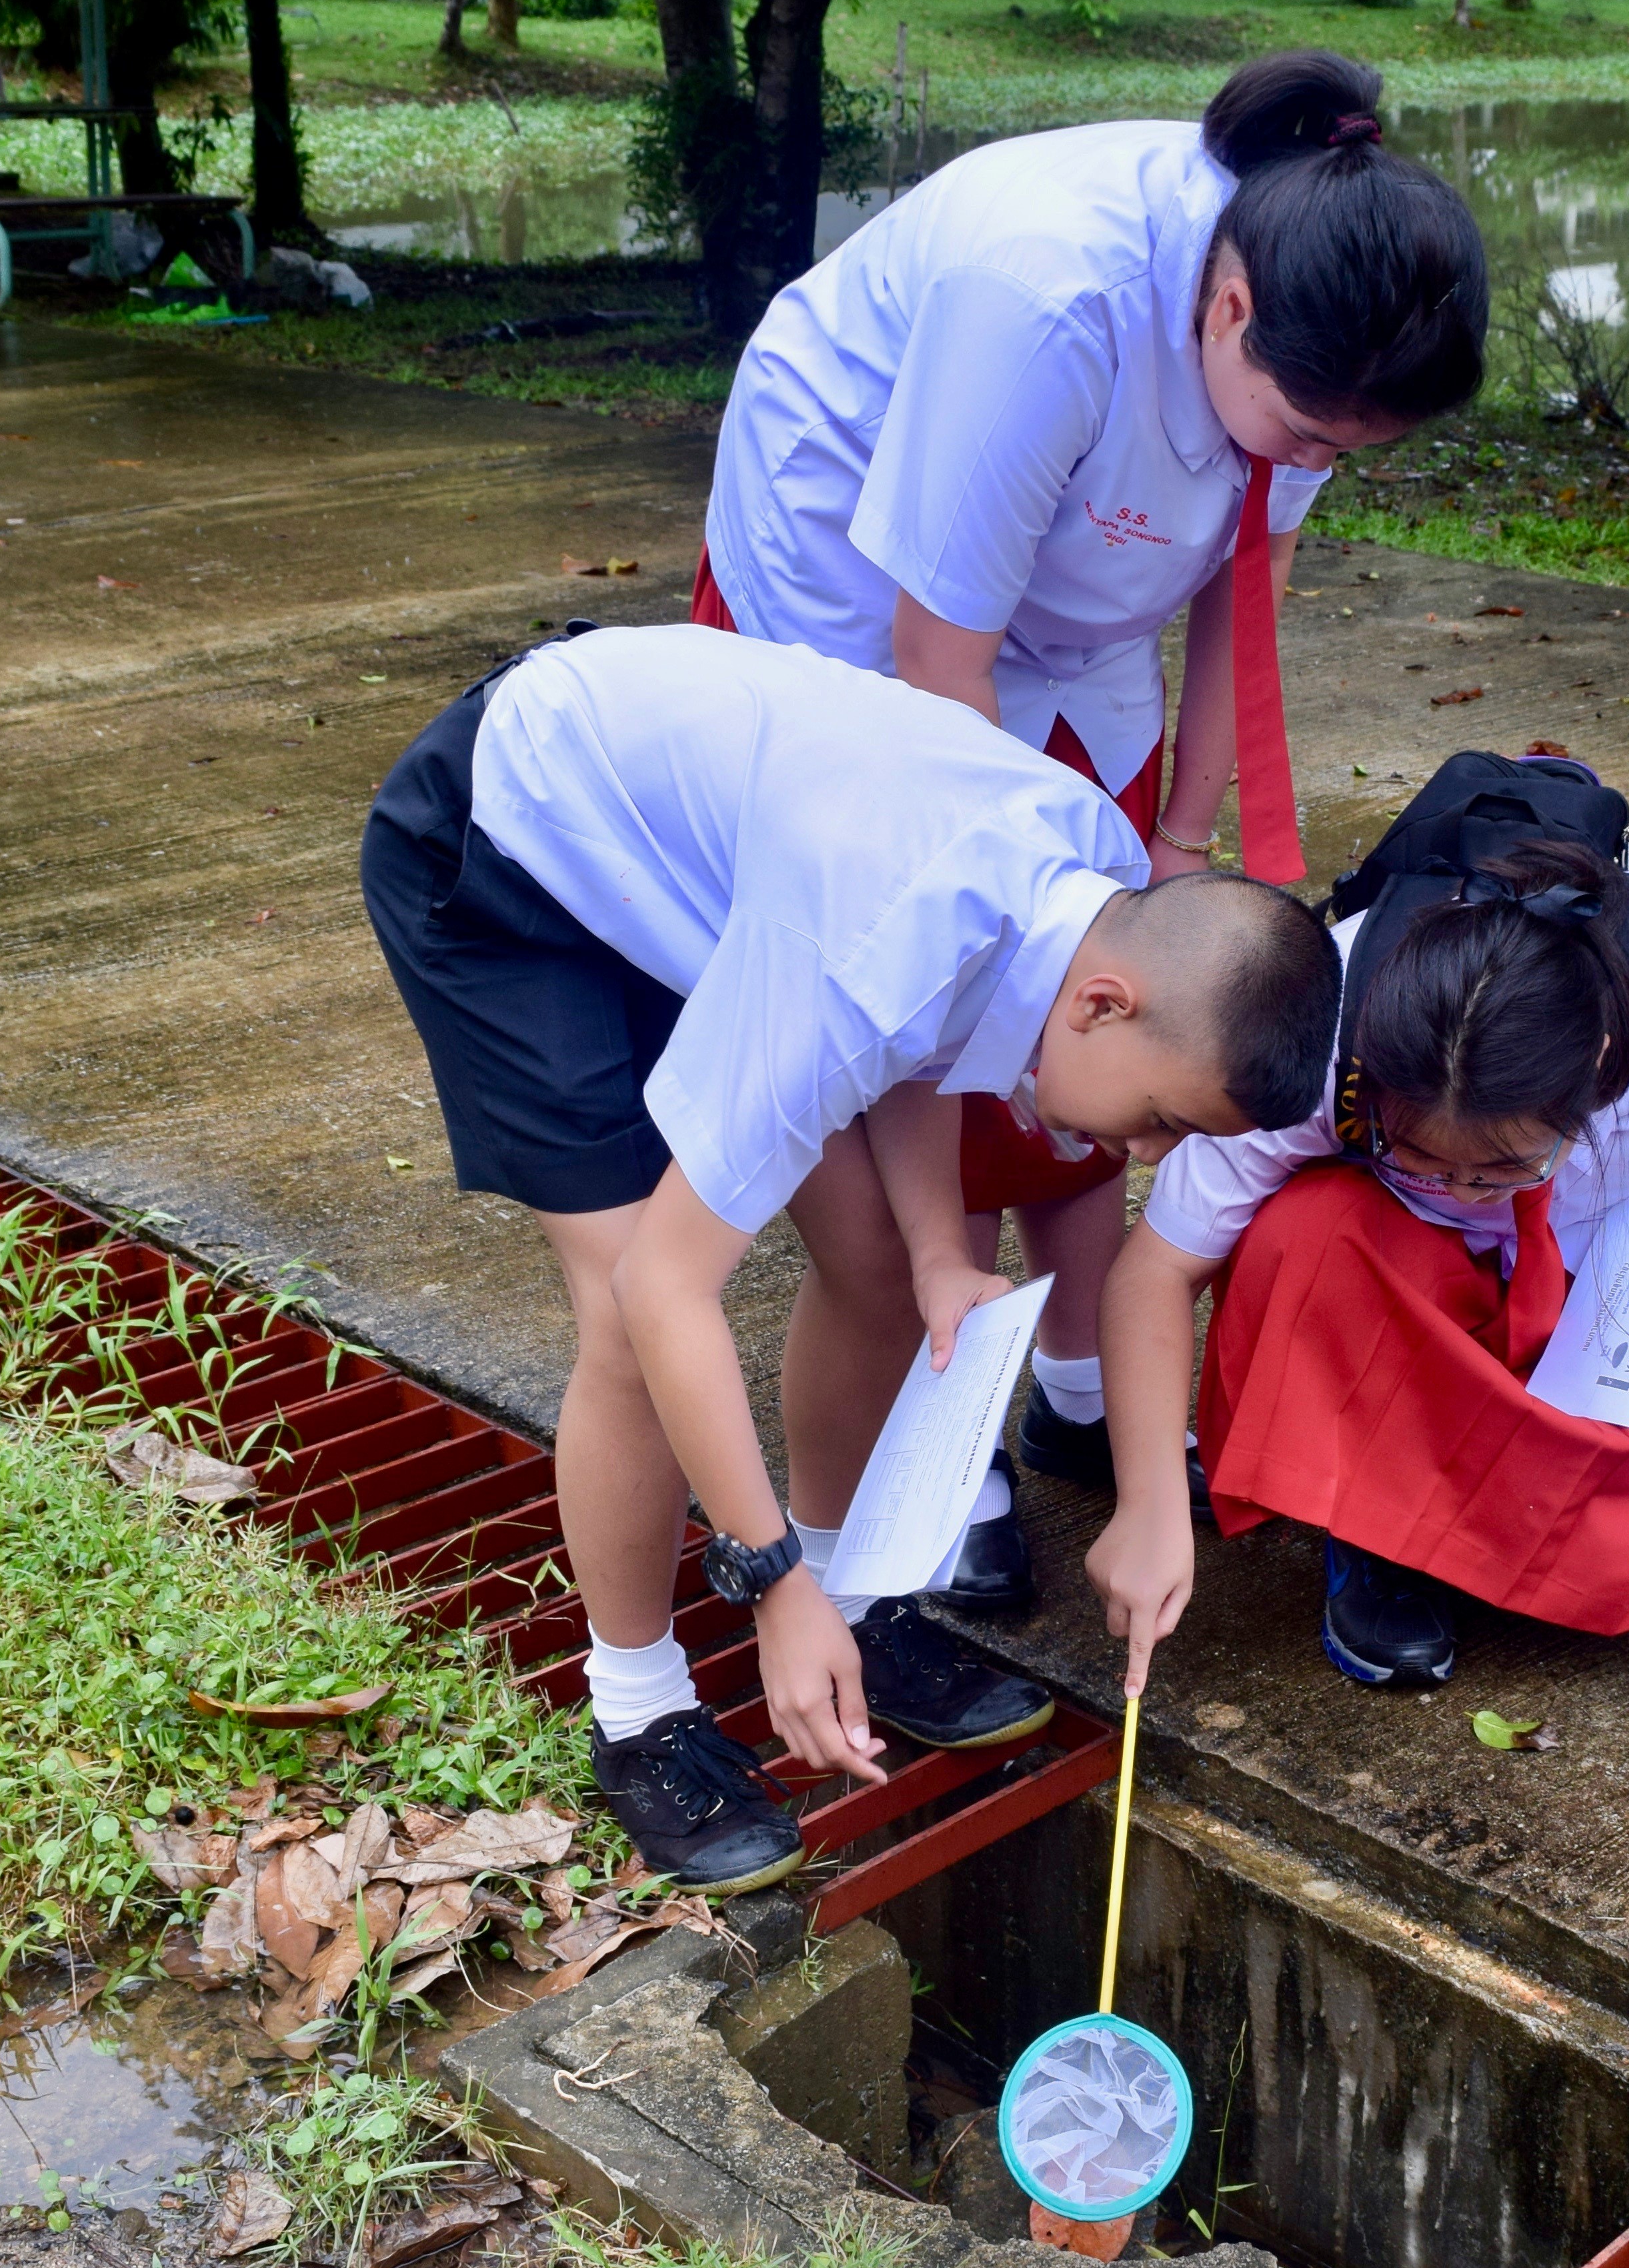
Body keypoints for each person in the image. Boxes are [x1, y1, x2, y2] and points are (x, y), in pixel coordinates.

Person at [691, 49, 1489, 1602]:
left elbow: (1228, 572)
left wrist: (1177, 834)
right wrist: (1002, 914)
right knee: (947, 999)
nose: (1317, 461)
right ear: (1229, 307)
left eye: (1346, 452)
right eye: (1309, 431)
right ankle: (937, 1407)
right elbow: (938, 681)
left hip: (1073, 599)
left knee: (1131, 1000)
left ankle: (1070, 1381)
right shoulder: (1042, 295)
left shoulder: (1308, 340)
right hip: (860, 589)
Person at [363, 623, 1340, 1892]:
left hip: (715, 873)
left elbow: (930, 1022)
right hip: (510, 853)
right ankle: (638, 1707)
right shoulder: (864, 949)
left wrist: (942, 1253)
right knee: (623, 1302)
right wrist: (763, 1587)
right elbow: (674, 1288)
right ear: (1103, 1003)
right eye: (1162, 1117)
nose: (1146, 1154)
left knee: (884, 1261)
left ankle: (851, 1595)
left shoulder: (1094, 867)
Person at [1088, 836, 1629, 1694]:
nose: (1468, 1187)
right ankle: (1374, 1529)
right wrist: (1147, 1506)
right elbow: (1153, 1270)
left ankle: (1454, 1508)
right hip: (1406, 1264)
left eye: (1503, 1166)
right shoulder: (1312, 1030)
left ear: (1592, 1072)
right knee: (1301, 1236)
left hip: (1621, 1228)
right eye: (1427, 1156)